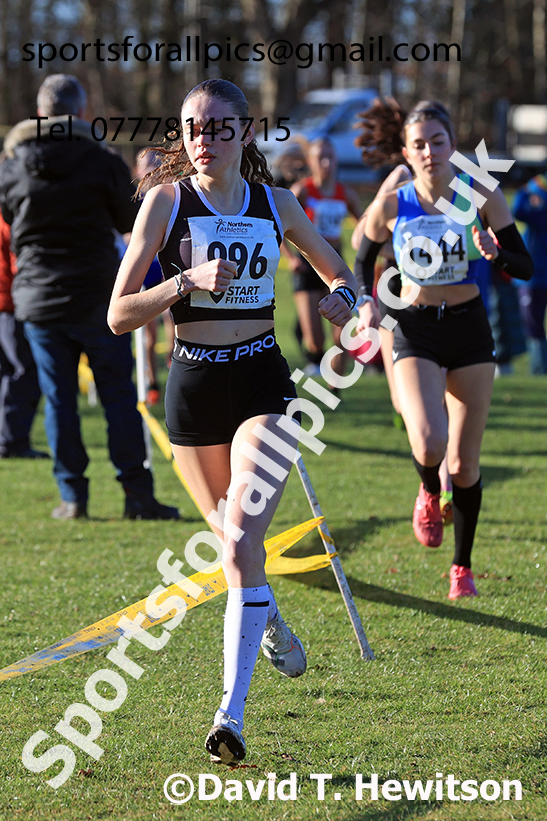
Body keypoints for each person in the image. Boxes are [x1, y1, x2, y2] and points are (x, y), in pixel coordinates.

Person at [107, 79, 358, 764]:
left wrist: (343, 297)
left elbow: (338, 270)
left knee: (243, 532)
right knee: (232, 547)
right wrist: (183, 282)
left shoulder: (275, 203)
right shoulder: (164, 203)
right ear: (182, 136)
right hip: (192, 385)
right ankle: (267, 613)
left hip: (259, 382)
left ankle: (231, 713)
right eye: (193, 127)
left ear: (246, 133)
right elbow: (117, 311)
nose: (204, 139)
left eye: (220, 127)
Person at [354, 101, 532, 599]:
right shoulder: (394, 203)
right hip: (415, 327)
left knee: (465, 464)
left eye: (438, 140)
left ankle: (462, 568)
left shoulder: (478, 193)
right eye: (419, 144)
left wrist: (496, 252)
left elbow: (525, 264)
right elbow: (361, 254)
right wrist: (366, 302)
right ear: (406, 153)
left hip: (470, 329)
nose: (430, 151)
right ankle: (429, 492)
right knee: (430, 442)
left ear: (452, 144)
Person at [0, 74, 179, 521]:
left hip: (38, 301)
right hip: (98, 297)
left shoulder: (12, 165)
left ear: (41, 114)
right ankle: (137, 495)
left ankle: (72, 497)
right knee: (119, 395)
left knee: (59, 399)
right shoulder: (103, 161)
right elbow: (130, 220)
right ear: (82, 112)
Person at [286, 137, 361, 379]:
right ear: (311, 162)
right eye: (321, 158)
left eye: (331, 157)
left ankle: (334, 385)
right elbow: (276, 228)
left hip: (334, 266)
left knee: (342, 333)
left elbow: (367, 227)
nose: (327, 163)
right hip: (306, 265)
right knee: (315, 341)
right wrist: (290, 258)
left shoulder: (345, 193)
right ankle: (310, 345)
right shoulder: (303, 191)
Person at [0, 209, 48, 459]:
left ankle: (9, 439)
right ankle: (12, 441)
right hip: (9, 307)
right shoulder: (8, 219)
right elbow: (18, 262)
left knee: (10, 372)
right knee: (23, 372)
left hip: (6, 305)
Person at [512, 173, 547, 374]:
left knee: (532, 323)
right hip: (533, 277)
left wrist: (526, 191)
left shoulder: (539, 215)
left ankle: (540, 367)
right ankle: (539, 366)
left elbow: (518, 210)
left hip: (533, 278)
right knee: (533, 322)